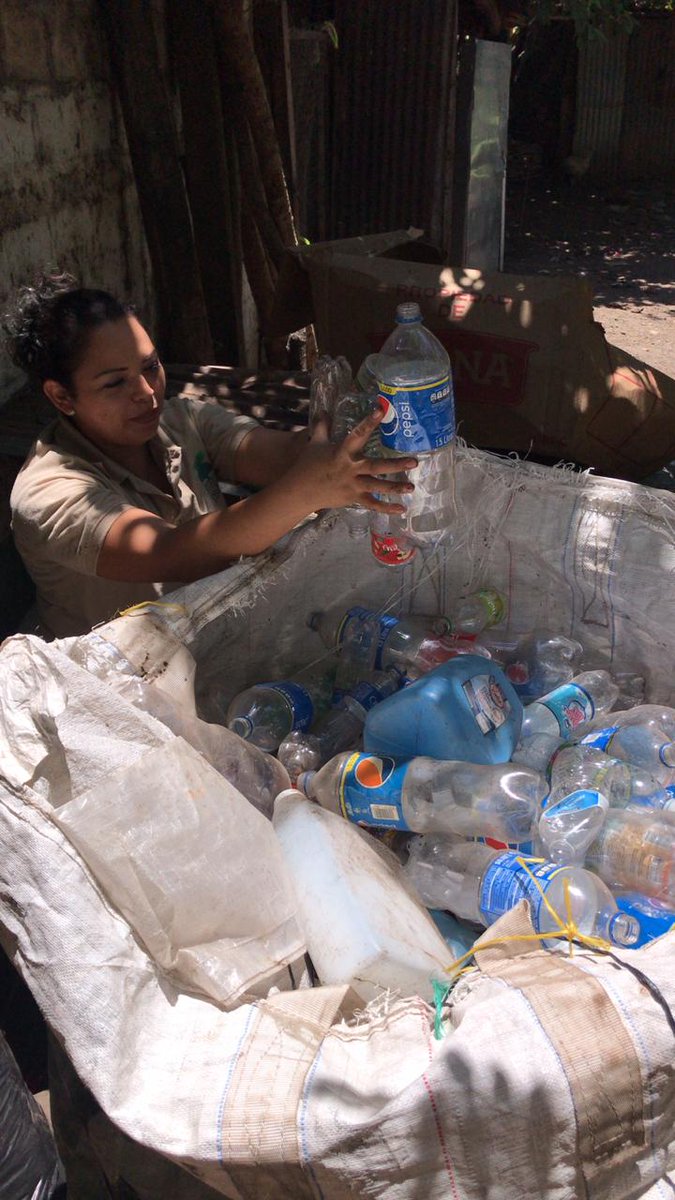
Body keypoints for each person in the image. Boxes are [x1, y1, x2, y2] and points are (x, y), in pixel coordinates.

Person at [3, 274, 416, 639]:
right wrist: (307, 491)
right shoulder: (48, 493)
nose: (147, 393)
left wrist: (347, 429)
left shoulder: (180, 420)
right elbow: (172, 553)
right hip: (121, 683)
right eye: (115, 384)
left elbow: (279, 455)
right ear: (61, 396)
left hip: (210, 637)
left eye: (151, 366)